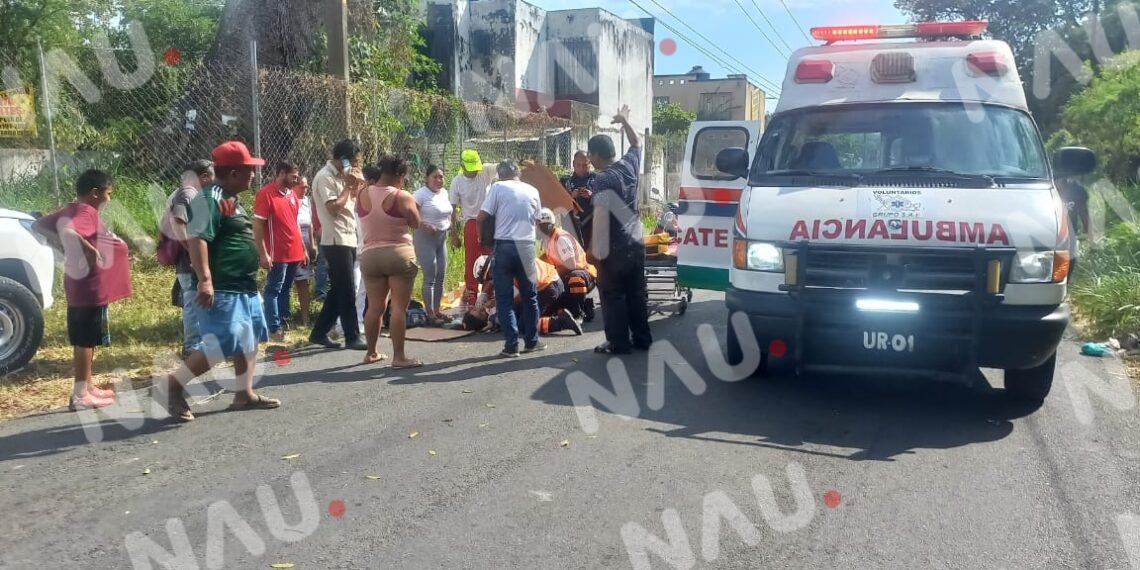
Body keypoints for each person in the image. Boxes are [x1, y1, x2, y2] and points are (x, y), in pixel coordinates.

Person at [153, 141, 279, 422]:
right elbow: (197, 236)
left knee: (249, 336)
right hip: (223, 285)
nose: (253, 176)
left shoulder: (229, 198)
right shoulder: (210, 198)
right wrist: (205, 279)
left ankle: (243, 394)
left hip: (243, 284)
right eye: (249, 170)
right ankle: (171, 386)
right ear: (233, 173)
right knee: (221, 342)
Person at [33, 170, 132, 411]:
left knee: (86, 338)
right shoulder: (86, 212)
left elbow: (38, 225)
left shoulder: (71, 209)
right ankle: (80, 395)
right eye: (108, 194)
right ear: (95, 193)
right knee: (85, 340)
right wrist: (88, 249)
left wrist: (64, 245)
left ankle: (87, 386)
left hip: (80, 286)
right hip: (89, 288)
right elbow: (68, 231)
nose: (109, 199)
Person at [582, 105, 652, 355]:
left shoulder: (602, 179)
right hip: (636, 243)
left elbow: (600, 216)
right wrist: (625, 122)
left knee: (612, 296)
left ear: (597, 155)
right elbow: (636, 143)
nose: (589, 160)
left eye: (590, 156)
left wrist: (592, 249)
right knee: (636, 292)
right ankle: (643, 338)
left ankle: (618, 343)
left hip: (614, 249)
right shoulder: (630, 166)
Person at [358, 156, 424, 369]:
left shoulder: (362, 193)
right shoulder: (401, 196)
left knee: (375, 307)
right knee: (398, 308)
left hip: (370, 256)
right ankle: (399, 357)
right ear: (400, 175)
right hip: (398, 254)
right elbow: (416, 222)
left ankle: (371, 352)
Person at [477, 161, 544, 358]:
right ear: (518, 175)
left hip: (504, 247)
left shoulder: (498, 187)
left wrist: (482, 238)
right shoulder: (533, 190)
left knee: (504, 299)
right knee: (530, 296)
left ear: (500, 175)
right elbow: (538, 220)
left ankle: (511, 345)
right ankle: (532, 341)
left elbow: (481, 217)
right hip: (526, 247)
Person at [310, 139, 367, 350]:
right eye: (354, 161)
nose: (355, 165)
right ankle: (352, 335)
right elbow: (334, 208)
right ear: (343, 159)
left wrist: (355, 184)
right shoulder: (325, 177)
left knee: (338, 289)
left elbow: (352, 201)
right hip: (335, 239)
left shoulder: (342, 176)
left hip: (348, 236)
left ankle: (319, 332)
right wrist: (349, 186)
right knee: (347, 289)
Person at [162, 159, 214, 357]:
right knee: (193, 303)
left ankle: (198, 344)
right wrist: (191, 248)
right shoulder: (188, 193)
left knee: (196, 302)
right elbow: (177, 220)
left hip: (190, 261)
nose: (214, 180)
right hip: (188, 262)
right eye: (212, 176)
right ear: (203, 176)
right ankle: (192, 347)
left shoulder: (189, 193)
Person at [253, 161, 306, 342]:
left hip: (293, 251)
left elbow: (295, 222)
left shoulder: (291, 194)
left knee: (286, 288)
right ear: (281, 173)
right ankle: (274, 328)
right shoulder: (266, 194)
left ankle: (283, 321)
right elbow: (258, 225)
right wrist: (263, 253)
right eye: (293, 176)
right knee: (273, 289)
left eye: (297, 176)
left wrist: (303, 248)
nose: (296, 180)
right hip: (277, 253)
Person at [450, 149, 498, 308]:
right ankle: (471, 301)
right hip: (471, 223)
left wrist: (520, 163)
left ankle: (488, 298)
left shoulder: (485, 172)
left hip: (487, 221)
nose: (475, 171)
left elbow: (502, 167)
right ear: (463, 166)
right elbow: (453, 209)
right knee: (471, 263)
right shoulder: (457, 182)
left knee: (489, 259)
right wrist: (454, 234)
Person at [538, 207, 597, 322]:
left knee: (575, 278)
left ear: (548, 226)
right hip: (565, 274)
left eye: (540, 226)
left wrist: (553, 276)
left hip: (584, 272)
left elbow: (571, 265)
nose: (537, 229)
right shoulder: (547, 241)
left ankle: (579, 312)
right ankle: (584, 305)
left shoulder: (560, 238)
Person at [413, 165, 454, 325]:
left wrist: (450, 224)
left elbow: (450, 212)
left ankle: (437, 310)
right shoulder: (420, 195)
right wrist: (423, 225)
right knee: (430, 275)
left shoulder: (444, 192)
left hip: (441, 237)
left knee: (441, 275)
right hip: (425, 237)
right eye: (435, 177)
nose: (439, 180)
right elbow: (411, 214)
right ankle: (430, 313)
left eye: (441, 176)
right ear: (426, 178)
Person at [292, 176, 318, 327]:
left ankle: (305, 318)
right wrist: (302, 248)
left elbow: (309, 224)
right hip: (293, 244)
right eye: (302, 186)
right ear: (294, 187)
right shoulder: (290, 200)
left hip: (306, 243)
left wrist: (312, 244)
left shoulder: (307, 201)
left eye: (307, 187)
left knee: (303, 281)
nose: (305, 189)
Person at [560, 150, 597, 247]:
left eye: (585, 165)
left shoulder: (597, 179)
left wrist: (592, 195)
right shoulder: (565, 181)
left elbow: (607, 200)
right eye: (578, 165)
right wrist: (571, 196)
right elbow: (558, 203)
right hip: (572, 224)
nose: (581, 168)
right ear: (573, 164)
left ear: (590, 164)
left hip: (592, 223)